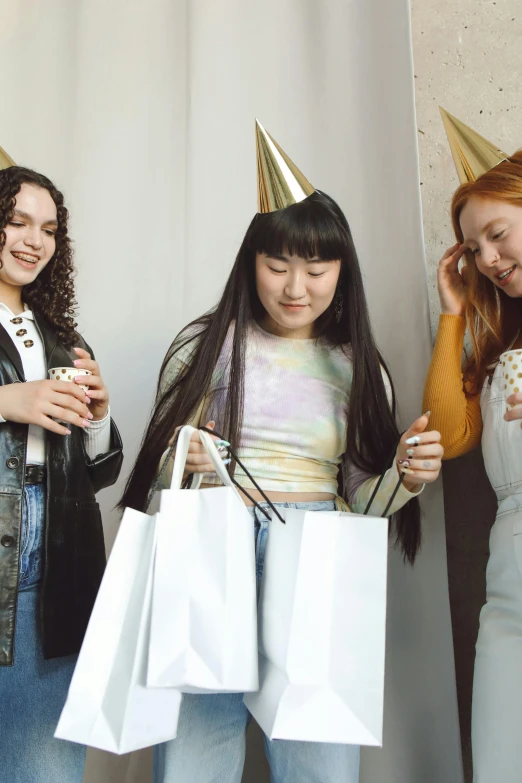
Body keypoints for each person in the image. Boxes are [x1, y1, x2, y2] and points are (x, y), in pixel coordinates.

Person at [122, 123, 442, 783]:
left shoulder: (358, 365)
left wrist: (406, 476)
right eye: (278, 265)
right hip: (215, 548)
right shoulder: (203, 347)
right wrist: (192, 462)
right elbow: (158, 467)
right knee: (194, 755)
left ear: (341, 271)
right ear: (252, 266)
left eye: (316, 267)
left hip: (318, 550)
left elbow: (360, 499)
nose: (297, 285)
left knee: (319, 755)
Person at [0, 165, 123, 783]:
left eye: (48, 229)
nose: (33, 240)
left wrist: (97, 418)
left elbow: (101, 471)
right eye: (16, 221)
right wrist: (6, 402)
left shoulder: (61, 337)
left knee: (43, 756)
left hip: (58, 546)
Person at [423, 115, 522, 782]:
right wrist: (454, 310)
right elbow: (448, 434)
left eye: (499, 233)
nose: (486, 256)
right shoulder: (498, 341)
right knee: (498, 759)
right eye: (473, 246)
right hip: (508, 578)